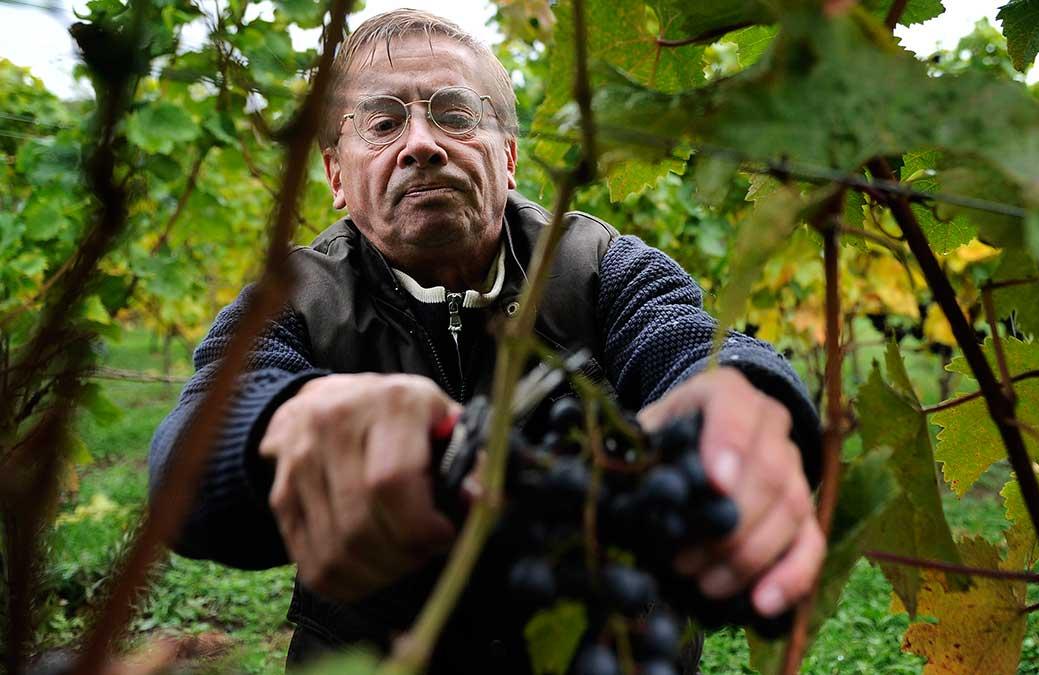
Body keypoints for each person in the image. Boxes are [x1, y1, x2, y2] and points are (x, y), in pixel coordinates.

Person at [150, 9, 825, 673]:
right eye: (383, 123)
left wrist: (744, 385)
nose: (422, 143)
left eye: (454, 114)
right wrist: (274, 425)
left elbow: (683, 337)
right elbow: (190, 450)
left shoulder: (601, 264)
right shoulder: (290, 296)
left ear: (506, 158)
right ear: (334, 175)